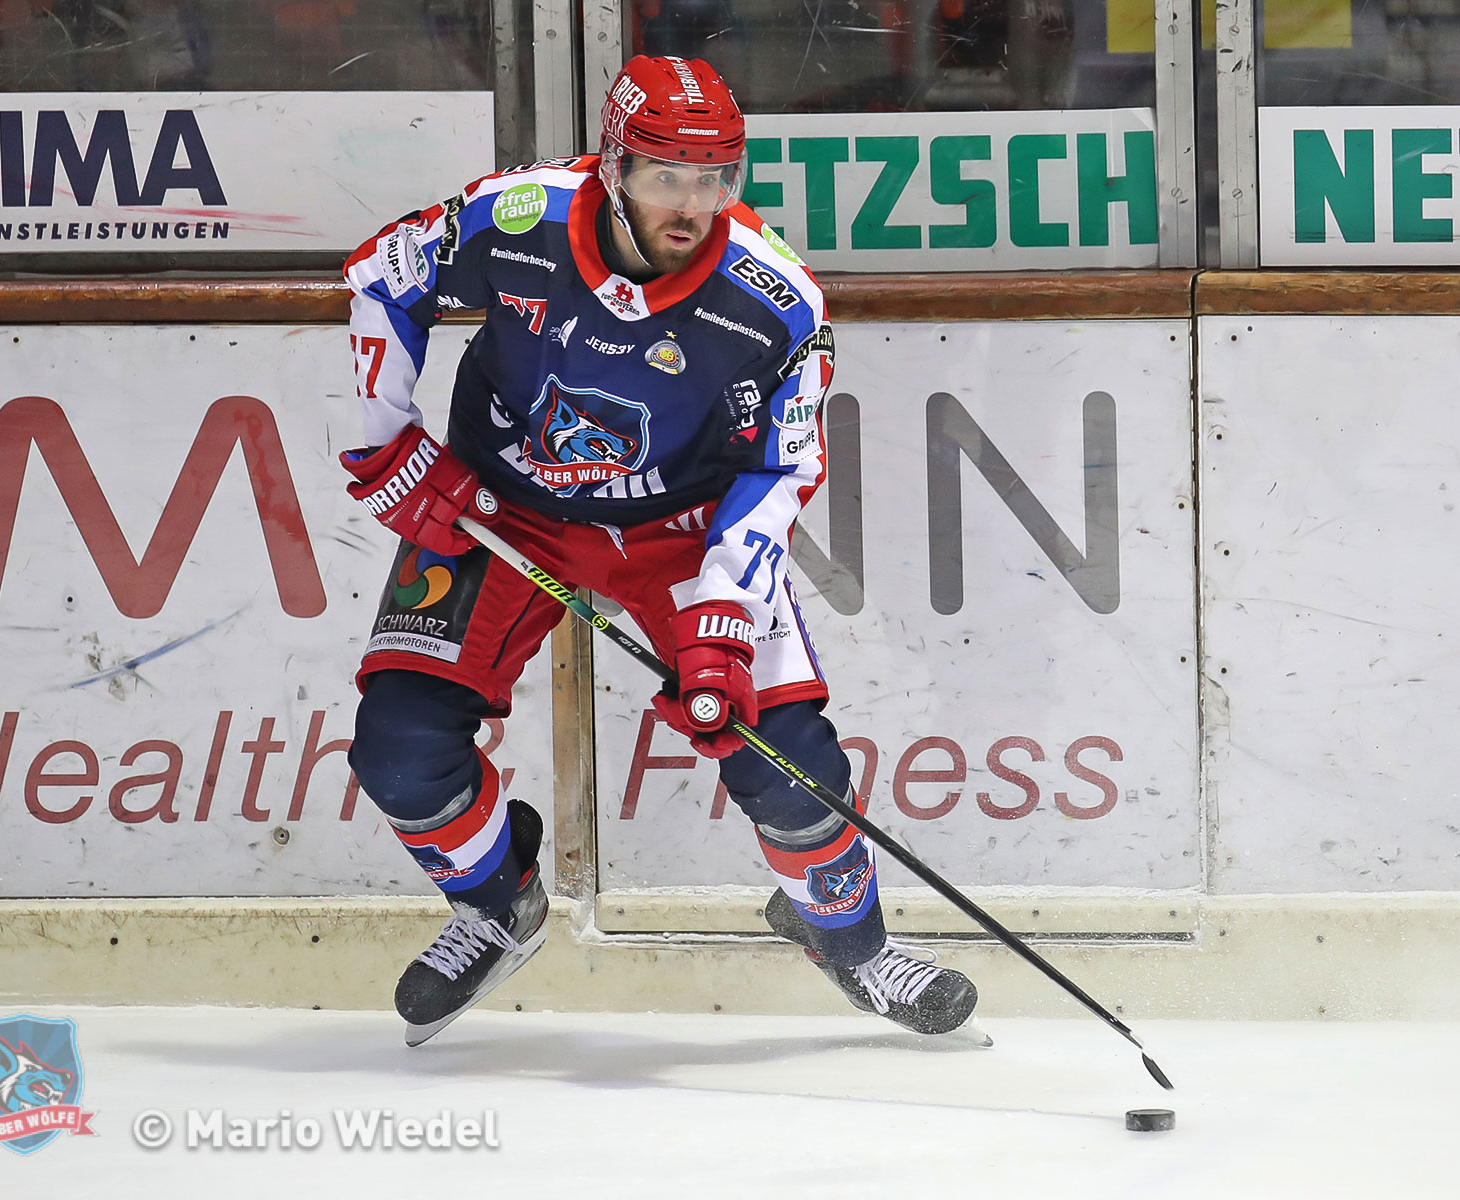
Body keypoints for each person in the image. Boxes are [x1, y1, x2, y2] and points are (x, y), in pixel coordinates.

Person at [338, 54, 979, 1047]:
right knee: (399, 747)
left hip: (683, 533)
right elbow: (384, 272)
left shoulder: (774, 296)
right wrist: (387, 438)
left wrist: (724, 605)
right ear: (613, 165)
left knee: (784, 760)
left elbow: (785, 465)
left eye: (714, 178)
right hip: (500, 511)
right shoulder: (518, 216)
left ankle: (852, 944)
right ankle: (498, 904)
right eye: (666, 176)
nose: (692, 204)